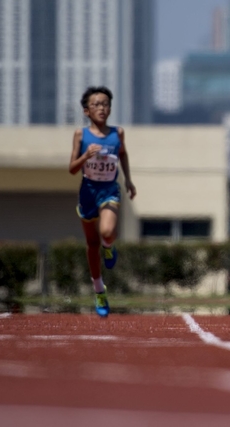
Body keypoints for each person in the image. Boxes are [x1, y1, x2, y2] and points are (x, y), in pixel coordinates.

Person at [69, 86, 136, 318]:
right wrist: (85, 156)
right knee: (91, 244)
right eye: (96, 104)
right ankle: (99, 290)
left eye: (105, 104)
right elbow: (71, 168)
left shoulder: (118, 133)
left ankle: (109, 247)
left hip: (109, 189)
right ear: (87, 111)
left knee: (107, 232)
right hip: (88, 191)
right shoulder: (81, 135)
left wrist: (128, 180)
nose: (101, 108)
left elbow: (124, 154)